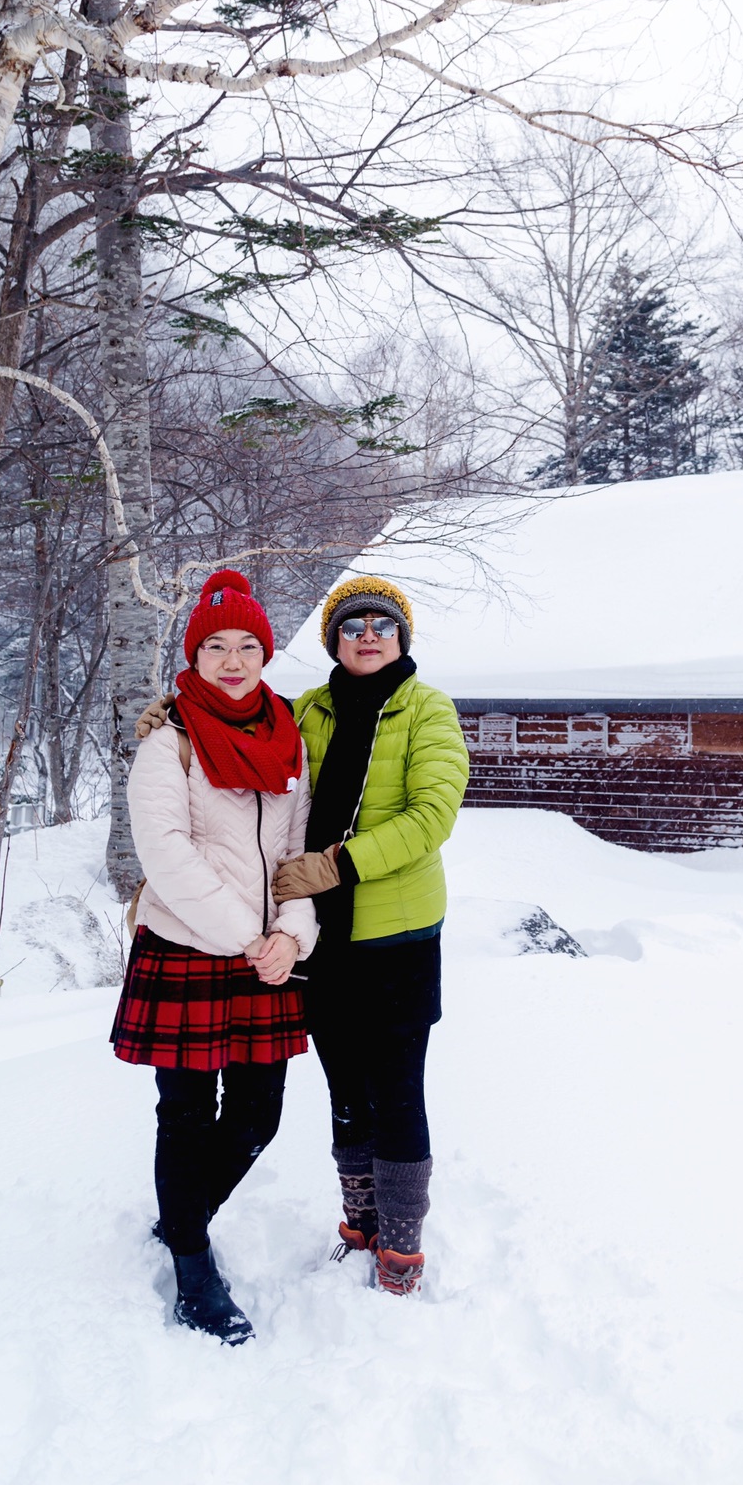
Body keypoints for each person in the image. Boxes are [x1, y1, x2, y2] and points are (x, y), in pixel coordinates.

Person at [111, 569, 317, 1344]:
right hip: (192, 948)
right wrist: (249, 936)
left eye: (249, 646)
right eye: (217, 647)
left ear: (265, 654)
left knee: (258, 1115)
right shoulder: (169, 742)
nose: (234, 660)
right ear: (194, 655)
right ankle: (193, 1271)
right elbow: (165, 852)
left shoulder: (287, 738)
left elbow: (299, 852)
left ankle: (181, 1219)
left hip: (267, 955)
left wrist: (292, 934)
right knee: (188, 1116)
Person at [272, 576, 469, 1296]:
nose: (367, 635)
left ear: (401, 638)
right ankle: (360, 1222)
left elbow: (432, 814)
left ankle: (403, 1246)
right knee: (343, 1087)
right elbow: (237, 741)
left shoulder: (428, 710)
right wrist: (173, 724)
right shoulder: (306, 711)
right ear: (332, 640)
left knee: (396, 1090)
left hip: (398, 939)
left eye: (382, 624)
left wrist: (334, 867)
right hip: (322, 940)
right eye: (352, 625)